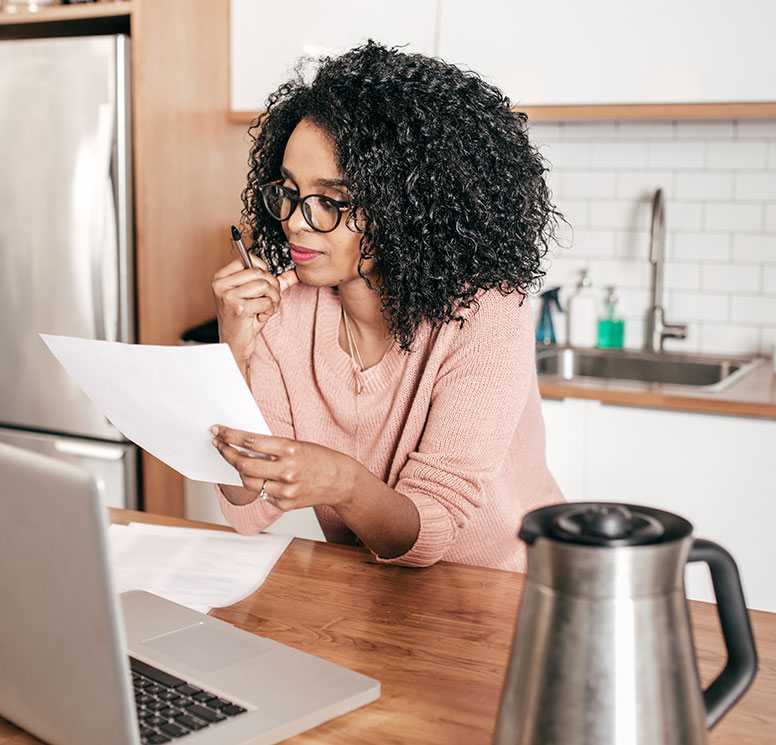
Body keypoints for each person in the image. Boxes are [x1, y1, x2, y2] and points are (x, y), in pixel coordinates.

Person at [209, 41, 563, 572]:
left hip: (511, 596)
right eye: (289, 191)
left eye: (331, 200)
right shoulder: (284, 314)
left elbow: (432, 530)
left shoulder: (487, 311)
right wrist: (231, 354)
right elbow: (247, 510)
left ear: (409, 207)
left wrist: (344, 483)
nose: (297, 221)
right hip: (375, 598)